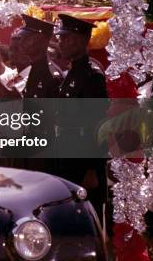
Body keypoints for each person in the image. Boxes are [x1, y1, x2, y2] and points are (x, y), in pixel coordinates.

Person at [55, 13, 108, 217]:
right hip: (68, 154)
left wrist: (93, 169)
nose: (60, 43)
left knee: (87, 217)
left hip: (83, 161)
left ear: (78, 40)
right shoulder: (72, 72)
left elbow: (99, 123)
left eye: (64, 38)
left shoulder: (92, 75)